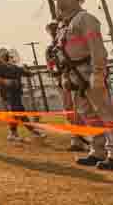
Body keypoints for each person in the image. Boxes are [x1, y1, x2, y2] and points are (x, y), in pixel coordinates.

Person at [48, 0, 113, 170]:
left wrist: (98, 73)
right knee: (89, 116)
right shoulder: (63, 25)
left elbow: (96, 48)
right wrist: (65, 77)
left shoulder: (85, 19)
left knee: (107, 113)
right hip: (74, 76)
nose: (60, 1)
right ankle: (97, 151)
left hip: (89, 72)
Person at [46, 22, 89, 151]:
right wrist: (59, 74)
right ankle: (76, 140)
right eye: (51, 31)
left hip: (77, 81)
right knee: (70, 112)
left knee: (81, 111)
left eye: (55, 29)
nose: (54, 32)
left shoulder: (69, 43)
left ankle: (86, 140)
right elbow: (51, 67)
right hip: (63, 83)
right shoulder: (50, 49)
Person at [0, 48, 46, 142]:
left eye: (6, 54)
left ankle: (15, 133)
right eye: (4, 54)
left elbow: (27, 73)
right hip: (7, 93)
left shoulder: (14, 67)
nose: (6, 56)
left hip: (16, 93)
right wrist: (5, 81)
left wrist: (31, 72)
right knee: (17, 112)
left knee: (18, 113)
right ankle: (30, 132)